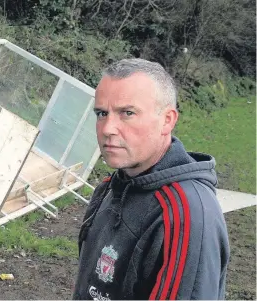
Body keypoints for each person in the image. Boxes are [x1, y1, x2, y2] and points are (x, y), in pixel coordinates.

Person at [72, 58, 230, 300]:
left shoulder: (188, 215)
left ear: (167, 120)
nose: (107, 128)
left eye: (127, 113)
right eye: (102, 113)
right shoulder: (108, 189)